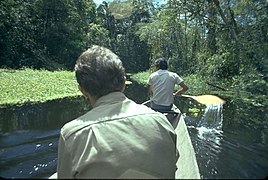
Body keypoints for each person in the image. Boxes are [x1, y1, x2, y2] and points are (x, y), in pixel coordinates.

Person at [55, 45, 178, 179]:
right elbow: (174, 161)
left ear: (83, 90)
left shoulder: (72, 134)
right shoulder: (161, 121)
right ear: (124, 82)